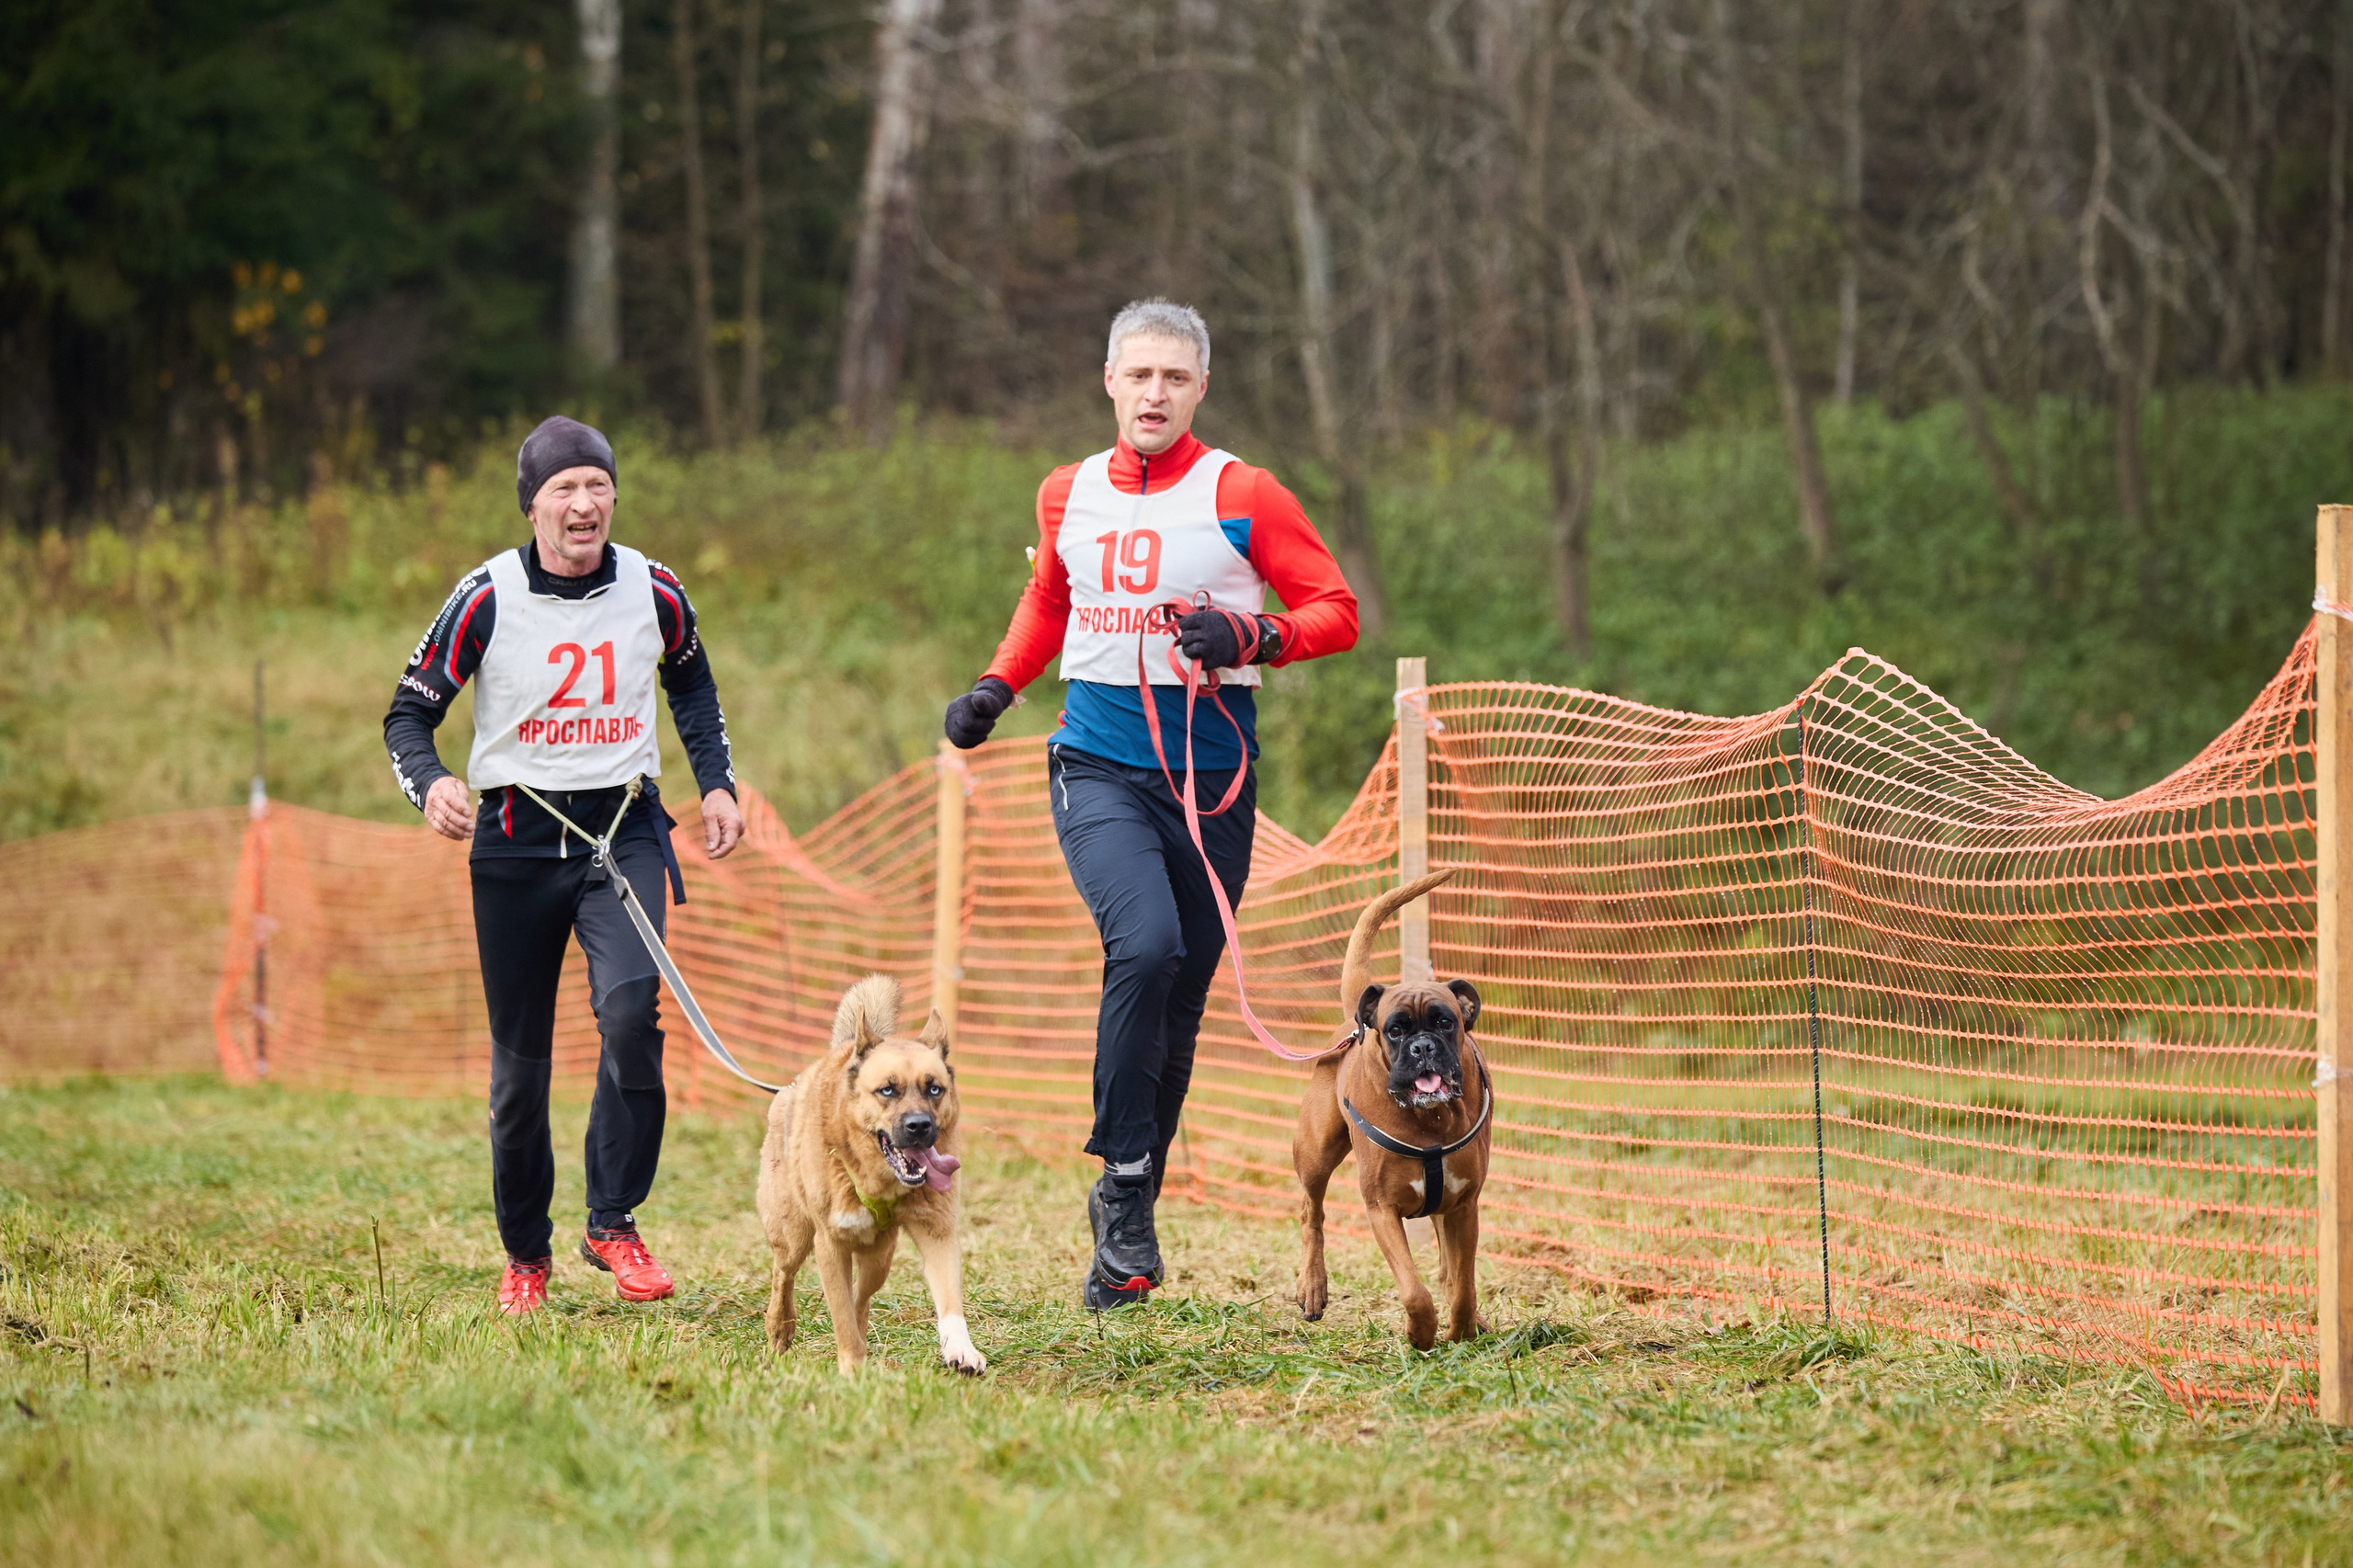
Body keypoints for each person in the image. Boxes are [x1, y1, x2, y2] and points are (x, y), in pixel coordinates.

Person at [942, 299, 1359, 1309]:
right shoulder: (1067, 491)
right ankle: (1124, 1185)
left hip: (1211, 780)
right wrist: (999, 685)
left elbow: (1335, 610)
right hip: (1095, 762)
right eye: (1139, 375)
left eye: (1174, 377)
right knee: (1147, 945)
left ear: (1200, 388)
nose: (1155, 393)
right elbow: (1052, 599)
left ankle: (1124, 1226)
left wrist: (1248, 637)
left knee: (1178, 998)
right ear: (1109, 380)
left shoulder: (1242, 490)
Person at [383, 415, 745, 1315]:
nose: (584, 505)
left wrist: (719, 784)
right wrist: (429, 785)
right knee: (519, 1076)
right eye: (564, 490)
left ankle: (612, 1219)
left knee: (630, 1013)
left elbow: (692, 684)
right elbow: (406, 715)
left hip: (621, 834)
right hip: (513, 843)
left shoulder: (655, 588)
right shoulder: (486, 596)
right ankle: (525, 1253)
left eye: (597, 486)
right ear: (534, 504)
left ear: (613, 496)